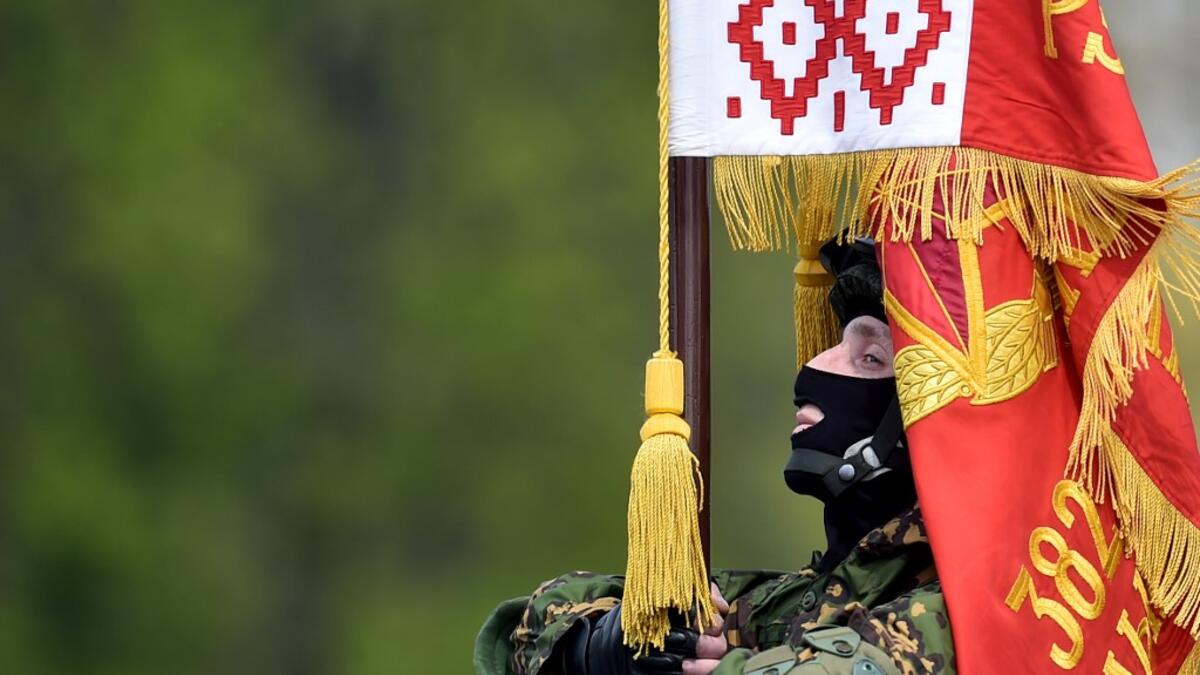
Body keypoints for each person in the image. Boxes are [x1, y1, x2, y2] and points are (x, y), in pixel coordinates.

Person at [475, 239, 955, 675]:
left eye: (870, 357)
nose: (814, 365)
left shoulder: (969, 616)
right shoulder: (774, 604)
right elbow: (520, 629)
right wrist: (602, 647)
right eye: (838, 343)